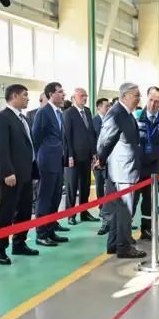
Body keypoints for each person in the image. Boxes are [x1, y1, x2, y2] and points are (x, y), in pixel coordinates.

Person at [0, 84, 40, 265]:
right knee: (6, 213)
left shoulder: (23, 118)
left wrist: (33, 170)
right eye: (25, 95)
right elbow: (0, 148)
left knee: (24, 211)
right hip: (11, 175)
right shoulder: (1, 118)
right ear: (14, 96)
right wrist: (8, 171)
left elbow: (28, 146)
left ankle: (19, 243)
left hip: (25, 173)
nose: (28, 98)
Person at [96, 83, 146, 259]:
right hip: (122, 170)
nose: (139, 98)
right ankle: (124, 247)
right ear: (124, 96)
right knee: (124, 210)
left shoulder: (127, 113)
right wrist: (101, 159)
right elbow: (105, 140)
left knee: (119, 211)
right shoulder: (117, 113)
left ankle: (114, 244)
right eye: (136, 95)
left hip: (125, 168)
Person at [32, 82, 70, 246]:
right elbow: (36, 137)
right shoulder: (43, 112)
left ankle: (50, 230)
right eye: (60, 92)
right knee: (45, 198)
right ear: (50, 94)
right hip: (47, 162)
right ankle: (41, 234)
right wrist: (40, 158)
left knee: (55, 197)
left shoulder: (59, 113)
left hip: (58, 161)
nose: (63, 95)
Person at [134, 87, 159, 241]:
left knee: (150, 199)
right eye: (151, 100)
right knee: (131, 199)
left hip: (153, 166)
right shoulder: (135, 116)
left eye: (156, 101)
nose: (152, 104)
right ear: (147, 98)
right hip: (135, 166)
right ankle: (125, 234)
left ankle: (146, 229)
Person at [63, 88, 99, 226]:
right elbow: (67, 136)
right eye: (82, 96)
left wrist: (94, 153)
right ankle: (70, 215)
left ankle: (84, 212)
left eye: (86, 95)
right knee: (71, 187)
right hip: (74, 157)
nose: (85, 98)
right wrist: (70, 155)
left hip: (87, 155)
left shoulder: (88, 112)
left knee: (85, 186)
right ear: (74, 98)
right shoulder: (68, 113)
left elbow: (91, 134)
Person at [92, 97, 111, 236]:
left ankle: (109, 215)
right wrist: (96, 157)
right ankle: (101, 209)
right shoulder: (95, 121)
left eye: (110, 106)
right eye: (106, 106)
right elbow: (93, 139)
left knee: (109, 186)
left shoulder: (110, 120)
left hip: (109, 159)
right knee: (99, 184)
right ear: (99, 107)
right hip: (98, 158)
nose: (108, 108)